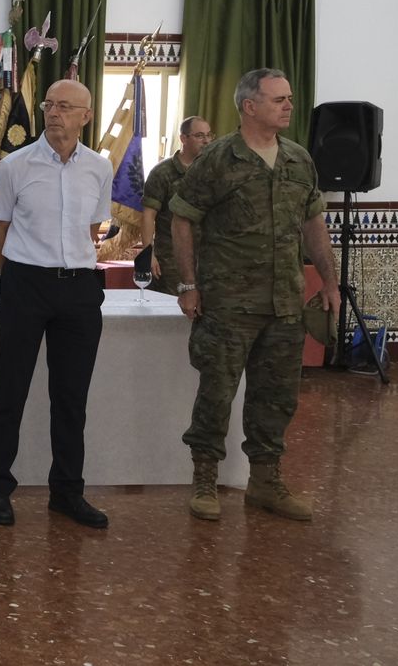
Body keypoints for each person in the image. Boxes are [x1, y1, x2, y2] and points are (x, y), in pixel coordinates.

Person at [169, 68, 339, 522]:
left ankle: (265, 482)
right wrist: (187, 285)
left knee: (277, 396)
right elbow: (183, 217)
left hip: (284, 304)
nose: (288, 106)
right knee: (217, 394)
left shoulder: (299, 160)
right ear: (249, 106)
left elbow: (313, 225)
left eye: (289, 98)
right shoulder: (219, 158)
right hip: (228, 303)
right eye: (278, 99)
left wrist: (330, 281)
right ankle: (205, 479)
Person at [0, 79, 115, 529]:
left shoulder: (99, 167)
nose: (54, 113)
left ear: (86, 117)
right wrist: (15, 276)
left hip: (78, 290)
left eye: (65, 106)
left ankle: (67, 492)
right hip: (25, 284)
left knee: (71, 398)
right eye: (49, 104)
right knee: (10, 390)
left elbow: (93, 229)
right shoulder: (15, 165)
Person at [139, 116, 213, 294]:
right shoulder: (163, 172)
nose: (207, 141)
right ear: (183, 138)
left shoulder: (212, 170)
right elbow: (148, 215)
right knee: (173, 312)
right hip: (171, 259)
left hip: (208, 259)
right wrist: (148, 253)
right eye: (200, 136)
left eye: (210, 135)